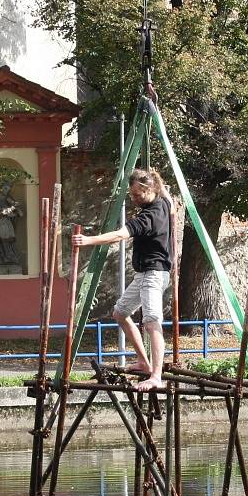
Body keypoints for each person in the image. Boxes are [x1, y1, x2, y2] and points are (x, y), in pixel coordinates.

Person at [72, 168, 175, 391]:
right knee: (120, 313)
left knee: (151, 322)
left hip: (153, 274)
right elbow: (168, 198)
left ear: (150, 190)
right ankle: (143, 362)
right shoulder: (163, 202)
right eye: (132, 195)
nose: (134, 199)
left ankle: (156, 376)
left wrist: (88, 240)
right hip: (144, 274)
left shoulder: (151, 215)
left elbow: (120, 234)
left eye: (138, 195)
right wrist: (159, 179)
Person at [0, 180, 24, 274]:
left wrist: (15, 208)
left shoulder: (8, 199)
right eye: (6, 188)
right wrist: (2, 213)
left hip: (6, 225)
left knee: (8, 243)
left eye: (9, 189)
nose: (7, 191)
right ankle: (0, 258)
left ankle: (10, 257)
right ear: (0, 188)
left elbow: (20, 213)